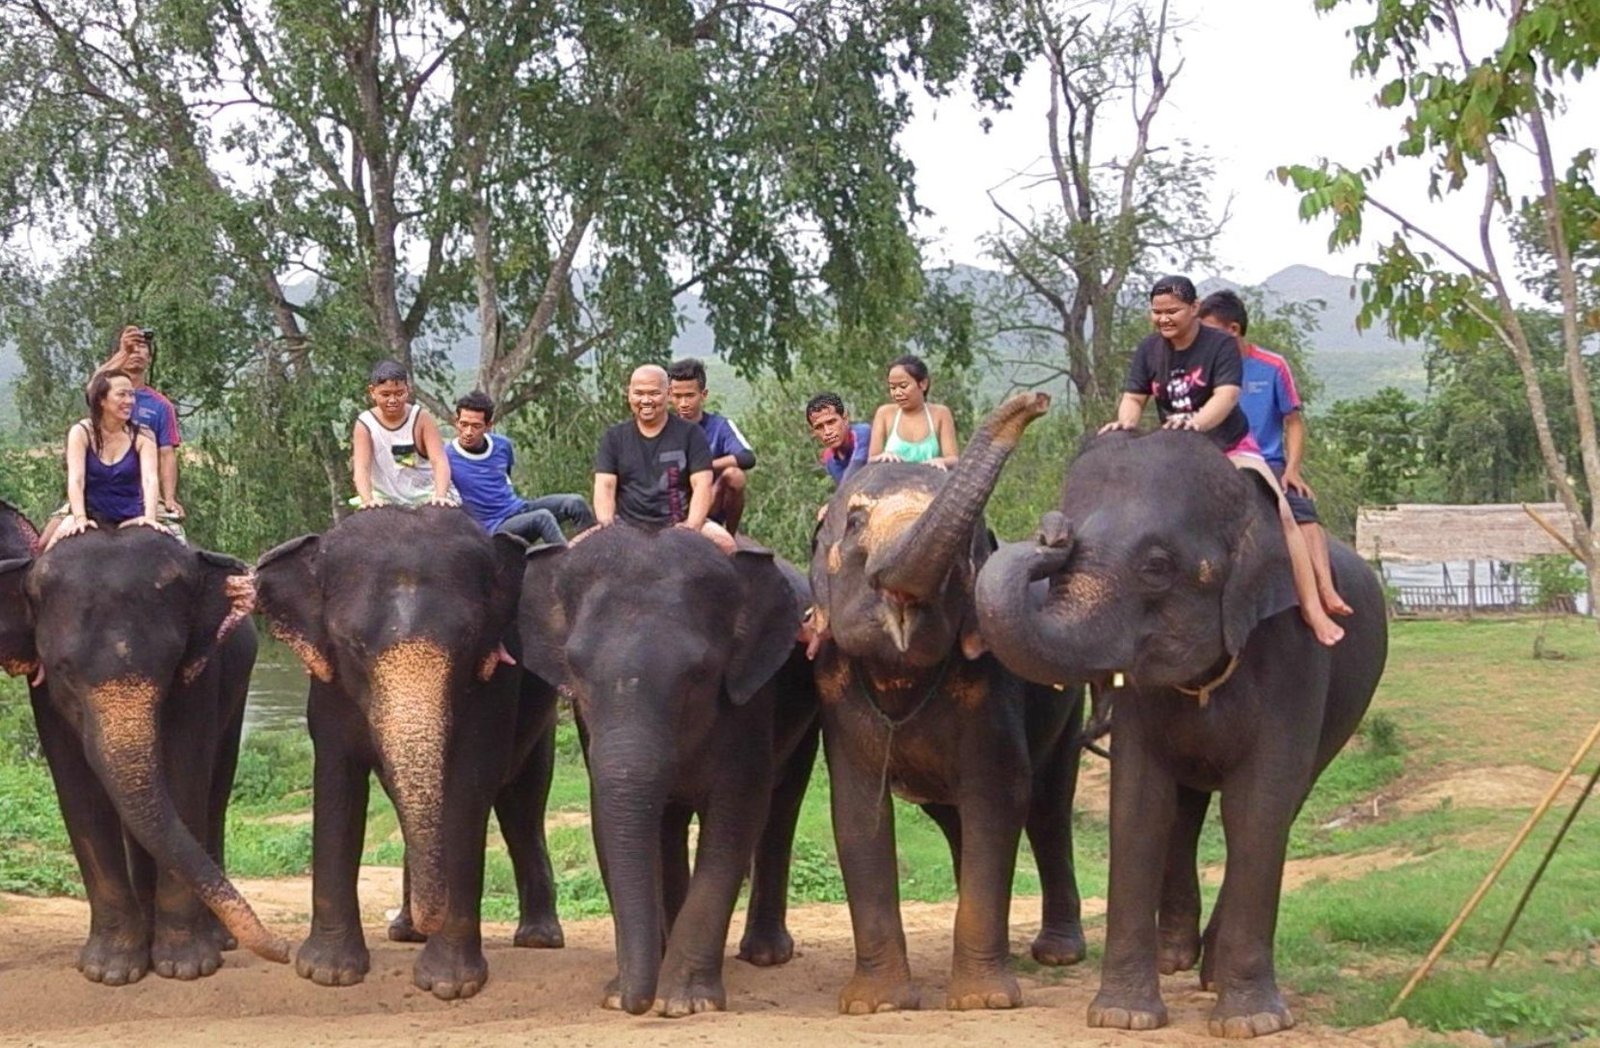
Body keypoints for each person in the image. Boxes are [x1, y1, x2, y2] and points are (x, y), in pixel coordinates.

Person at [1100, 275, 1343, 646]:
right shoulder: (1149, 350)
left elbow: (1227, 396)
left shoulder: (1219, 346)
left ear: (1194, 309)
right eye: (1156, 312)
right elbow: (1134, 398)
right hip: (1175, 449)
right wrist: (1126, 424)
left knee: (1282, 513)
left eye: (1172, 311)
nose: (1163, 319)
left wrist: (1196, 423)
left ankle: (1311, 606)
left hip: (1229, 444)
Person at [1198, 289, 1352, 618]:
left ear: (1233, 330)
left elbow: (1293, 422)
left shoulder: (1271, 366)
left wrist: (1292, 469)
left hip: (1267, 462)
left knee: (1301, 510)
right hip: (1217, 463)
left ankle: (1325, 589)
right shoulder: (1202, 371)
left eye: (1208, 330)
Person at [594, 364, 734, 552]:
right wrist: (607, 527)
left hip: (680, 522)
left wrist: (691, 527)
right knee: (570, 555)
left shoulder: (692, 434)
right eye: (639, 393)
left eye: (653, 393)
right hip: (625, 525)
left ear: (668, 394)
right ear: (629, 394)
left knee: (728, 545)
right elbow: (605, 486)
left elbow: (702, 485)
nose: (646, 400)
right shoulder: (614, 437)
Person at [445, 390, 595, 546]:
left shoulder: (502, 445)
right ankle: (569, 566)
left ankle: (591, 554)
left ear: (489, 426)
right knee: (542, 518)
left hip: (517, 509)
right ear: (456, 421)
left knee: (575, 502)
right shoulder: (446, 456)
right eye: (464, 424)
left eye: (476, 426)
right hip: (492, 527)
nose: (468, 432)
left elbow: (505, 479)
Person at [44, 369, 164, 551]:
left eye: (132, 395)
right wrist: (80, 519)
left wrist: (150, 518)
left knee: (180, 548)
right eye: (121, 395)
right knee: (45, 550)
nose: (129, 401)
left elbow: (150, 479)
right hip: (91, 516)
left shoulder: (144, 435)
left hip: (132, 518)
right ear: (101, 400)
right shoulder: (81, 432)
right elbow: (76, 479)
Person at [97, 325, 183, 521]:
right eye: (130, 347)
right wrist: (122, 352)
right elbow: (94, 385)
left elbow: (166, 454)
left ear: (150, 357)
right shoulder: (102, 396)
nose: (136, 351)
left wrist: (169, 498)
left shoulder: (161, 406)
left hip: (144, 496)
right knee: (46, 543)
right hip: (99, 491)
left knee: (176, 541)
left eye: (142, 346)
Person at [351, 359, 457, 508]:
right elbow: (362, 467)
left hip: (426, 494)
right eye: (385, 394)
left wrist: (440, 495)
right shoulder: (365, 424)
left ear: (407, 390)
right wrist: (367, 500)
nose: (393, 400)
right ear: (372, 392)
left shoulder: (421, 418)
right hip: (386, 498)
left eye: (399, 393)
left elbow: (439, 461)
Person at [666, 358, 755, 536]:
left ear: (703, 394)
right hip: (671, 506)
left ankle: (731, 534)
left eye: (690, 396)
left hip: (709, 503)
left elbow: (747, 457)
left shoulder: (719, 426)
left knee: (734, 476)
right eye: (677, 396)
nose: (683, 403)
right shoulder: (661, 429)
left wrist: (704, 465)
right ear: (669, 395)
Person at [868, 354, 960, 468]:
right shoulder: (884, 413)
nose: (897, 393)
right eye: (893, 388)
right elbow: (872, 458)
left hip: (928, 481)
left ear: (923, 384)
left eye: (903, 386)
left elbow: (953, 459)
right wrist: (884, 456)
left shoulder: (941, 414)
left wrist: (942, 461)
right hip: (891, 481)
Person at [806, 391, 872, 487]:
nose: (827, 432)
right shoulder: (829, 458)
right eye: (819, 427)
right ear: (813, 432)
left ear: (845, 418)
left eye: (831, 422)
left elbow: (851, 479)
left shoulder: (863, 433)